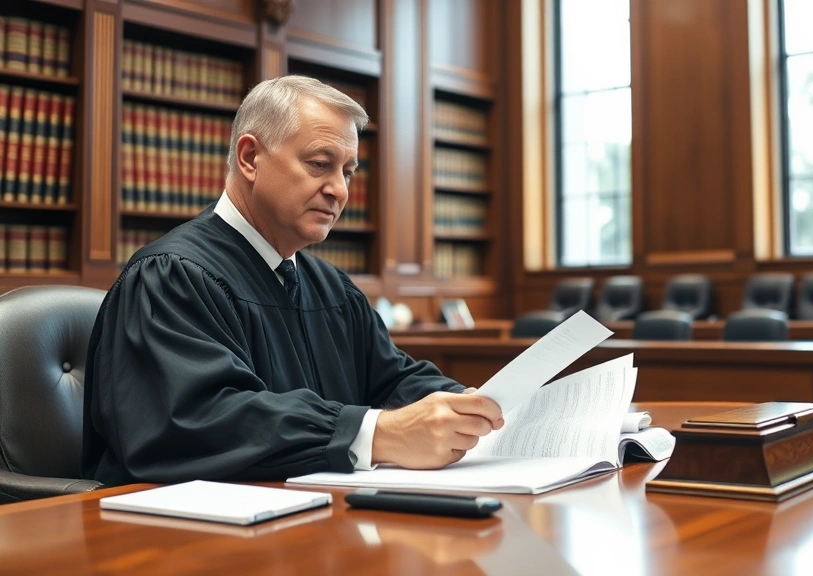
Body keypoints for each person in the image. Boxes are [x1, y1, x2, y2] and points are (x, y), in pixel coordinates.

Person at [82, 75, 503, 485]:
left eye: (349, 171)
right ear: (250, 158)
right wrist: (379, 434)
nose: (339, 190)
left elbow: (391, 379)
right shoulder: (170, 277)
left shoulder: (332, 289)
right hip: (186, 537)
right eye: (320, 164)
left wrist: (467, 405)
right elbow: (197, 420)